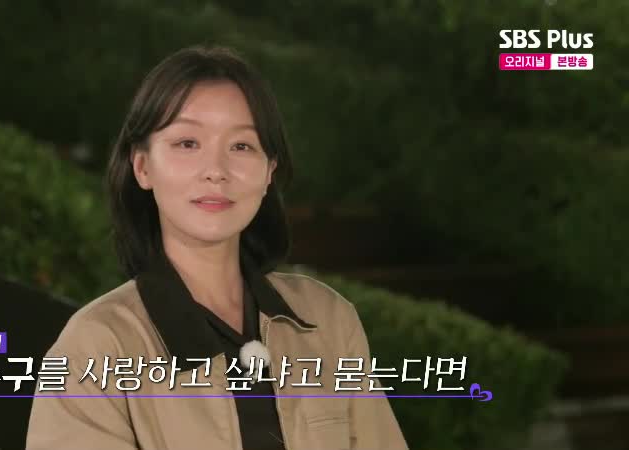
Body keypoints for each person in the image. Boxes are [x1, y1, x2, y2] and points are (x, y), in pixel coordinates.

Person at [26, 44, 408, 450]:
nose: (215, 171)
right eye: (187, 143)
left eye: (241, 146)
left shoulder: (327, 320)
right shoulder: (97, 347)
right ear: (142, 167)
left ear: (269, 171)